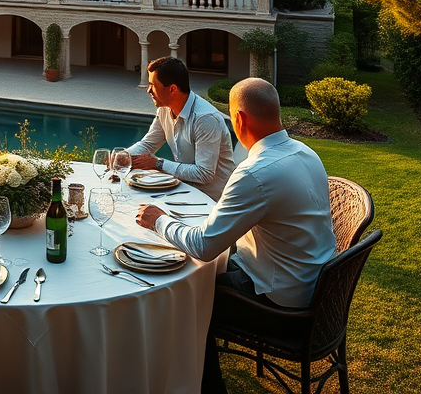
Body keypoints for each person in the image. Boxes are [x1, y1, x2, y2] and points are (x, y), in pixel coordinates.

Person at [136, 77, 336, 393]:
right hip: (314, 284)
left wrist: (158, 220)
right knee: (194, 274)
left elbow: (203, 246)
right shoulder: (305, 152)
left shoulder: (255, 172)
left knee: (182, 296)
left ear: (239, 119)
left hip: (280, 302)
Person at [125, 57, 235, 201]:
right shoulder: (165, 110)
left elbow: (204, 174)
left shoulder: (205, 119)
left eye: (152, 85)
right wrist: (123, 156)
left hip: (213, 201)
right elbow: (148, 144)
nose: (148, 90)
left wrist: (157, 163)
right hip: (184, 192)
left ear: (172, 89)